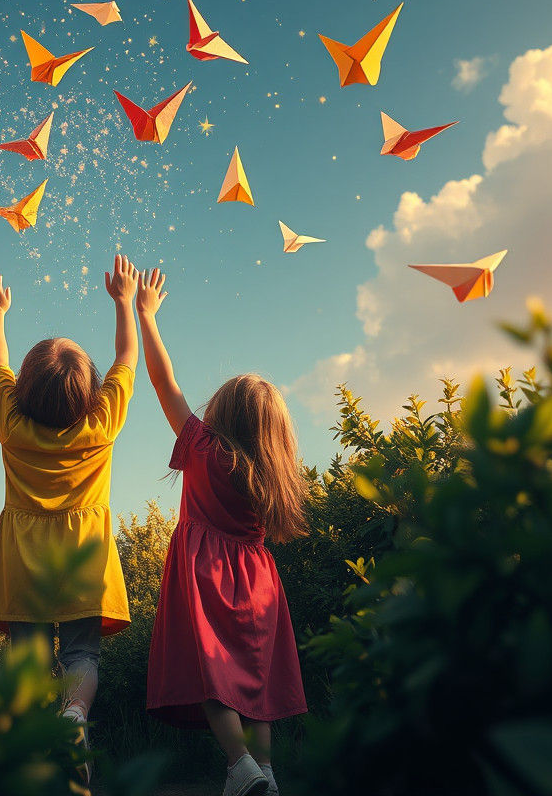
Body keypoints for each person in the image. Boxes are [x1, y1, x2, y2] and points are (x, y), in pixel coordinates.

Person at [137, 268, 308, 796]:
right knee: (255, 683)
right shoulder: (275, 476)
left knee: (214, 677)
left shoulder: (203, 449)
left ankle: (240, 766)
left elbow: (164, 383)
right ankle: (266, 772)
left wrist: (146, 315)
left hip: (206, 573)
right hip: (258, 583)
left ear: (221, 414)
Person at [0, 256, 140, 780]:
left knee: (27, 664)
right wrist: (126, 302)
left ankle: (28, 760)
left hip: (24, 564)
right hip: (84, 560)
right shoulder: (101, 425)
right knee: (82, 655)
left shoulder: (10, 425)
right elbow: (127, 356)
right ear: (90, 391)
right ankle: (74, 716)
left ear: (24, 388)